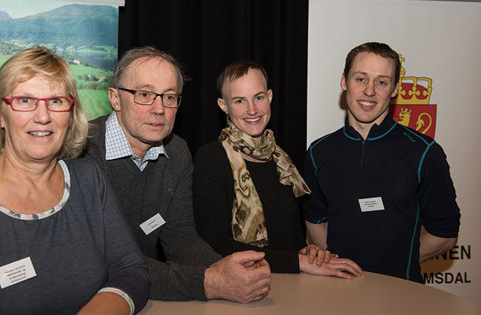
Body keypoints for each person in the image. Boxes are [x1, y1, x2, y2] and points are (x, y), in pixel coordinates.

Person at [0, 47, 149, 315]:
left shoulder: (88, 179)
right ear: (0, 114)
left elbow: (132, 271)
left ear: (70, 113)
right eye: (25, 100)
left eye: (56, 101)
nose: (43, 116)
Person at [83, 47, 273, 303]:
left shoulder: (177, 151)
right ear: (115, 98)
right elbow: (104, 259)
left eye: (170, 97)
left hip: (147, 297)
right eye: (145, 94)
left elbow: (181, 236)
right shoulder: (82, 153)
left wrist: (224, 269)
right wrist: (210, 283)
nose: (159, 108)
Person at [303, 42, 461, 283]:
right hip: (337, 291)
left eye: (382, 82)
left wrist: (396, 262)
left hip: (402, 292)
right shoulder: (318, 152)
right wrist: (342, 264)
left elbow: (445, 233)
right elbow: (315, 221)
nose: (369, 91)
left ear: (395, 89)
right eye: (360, 79)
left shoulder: (424, 152)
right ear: (344, 81)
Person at [193, 60, 363, 278]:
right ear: (223, 105)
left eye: (259, 97)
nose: (252, 109)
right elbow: (216, 245)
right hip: (238, 289)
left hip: (287, 284)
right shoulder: (211, 158)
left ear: (270, 96)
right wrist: (297, 261)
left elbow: (291, 238)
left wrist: (306, 251)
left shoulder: (282, 159)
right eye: (239, 101)